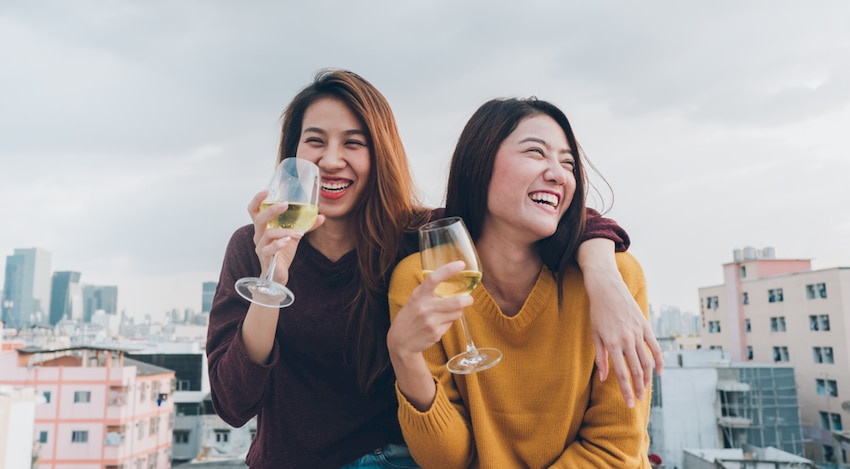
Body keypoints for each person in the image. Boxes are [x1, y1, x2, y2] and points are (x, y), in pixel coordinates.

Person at [206, 69, 656, 468]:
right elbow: (232, 405)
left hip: (397, 457)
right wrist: (272, 280)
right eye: (315, 141)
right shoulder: (253, 245)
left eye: (354, 143)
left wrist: (602, 270)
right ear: (293, 156)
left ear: (380, 154)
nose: (331, 159)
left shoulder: (417, 239)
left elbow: (531, 215)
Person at [387, 97, 652, 467]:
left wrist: (603, 273)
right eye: (535, 152)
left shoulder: (615, 279)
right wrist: (404, 355)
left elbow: (616, 449)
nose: (559, 174)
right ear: (479, 163)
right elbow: (446, 460)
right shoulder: (424, 279)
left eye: (568, 162)